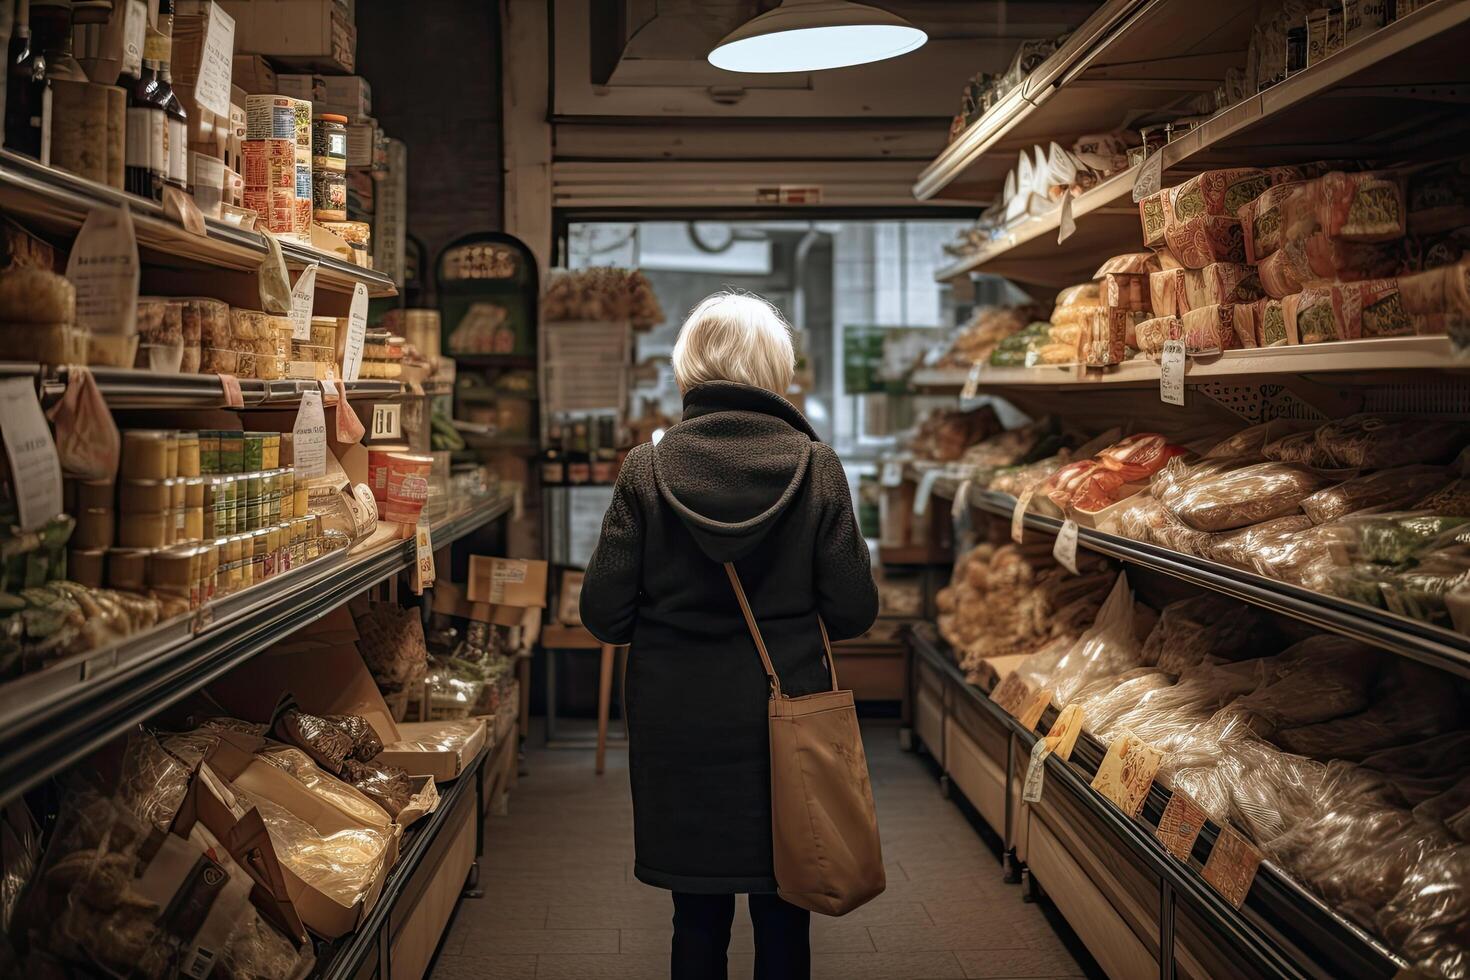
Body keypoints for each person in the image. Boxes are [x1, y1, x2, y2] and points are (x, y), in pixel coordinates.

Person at [580, 291, 879, 980]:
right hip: (788, 717)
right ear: (776, 368)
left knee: (697, 916)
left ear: (690, 368)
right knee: (788, 902)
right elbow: (855, 612)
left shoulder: (646, 470)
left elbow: (605, 615)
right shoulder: (817, 466)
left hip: (677, 721)